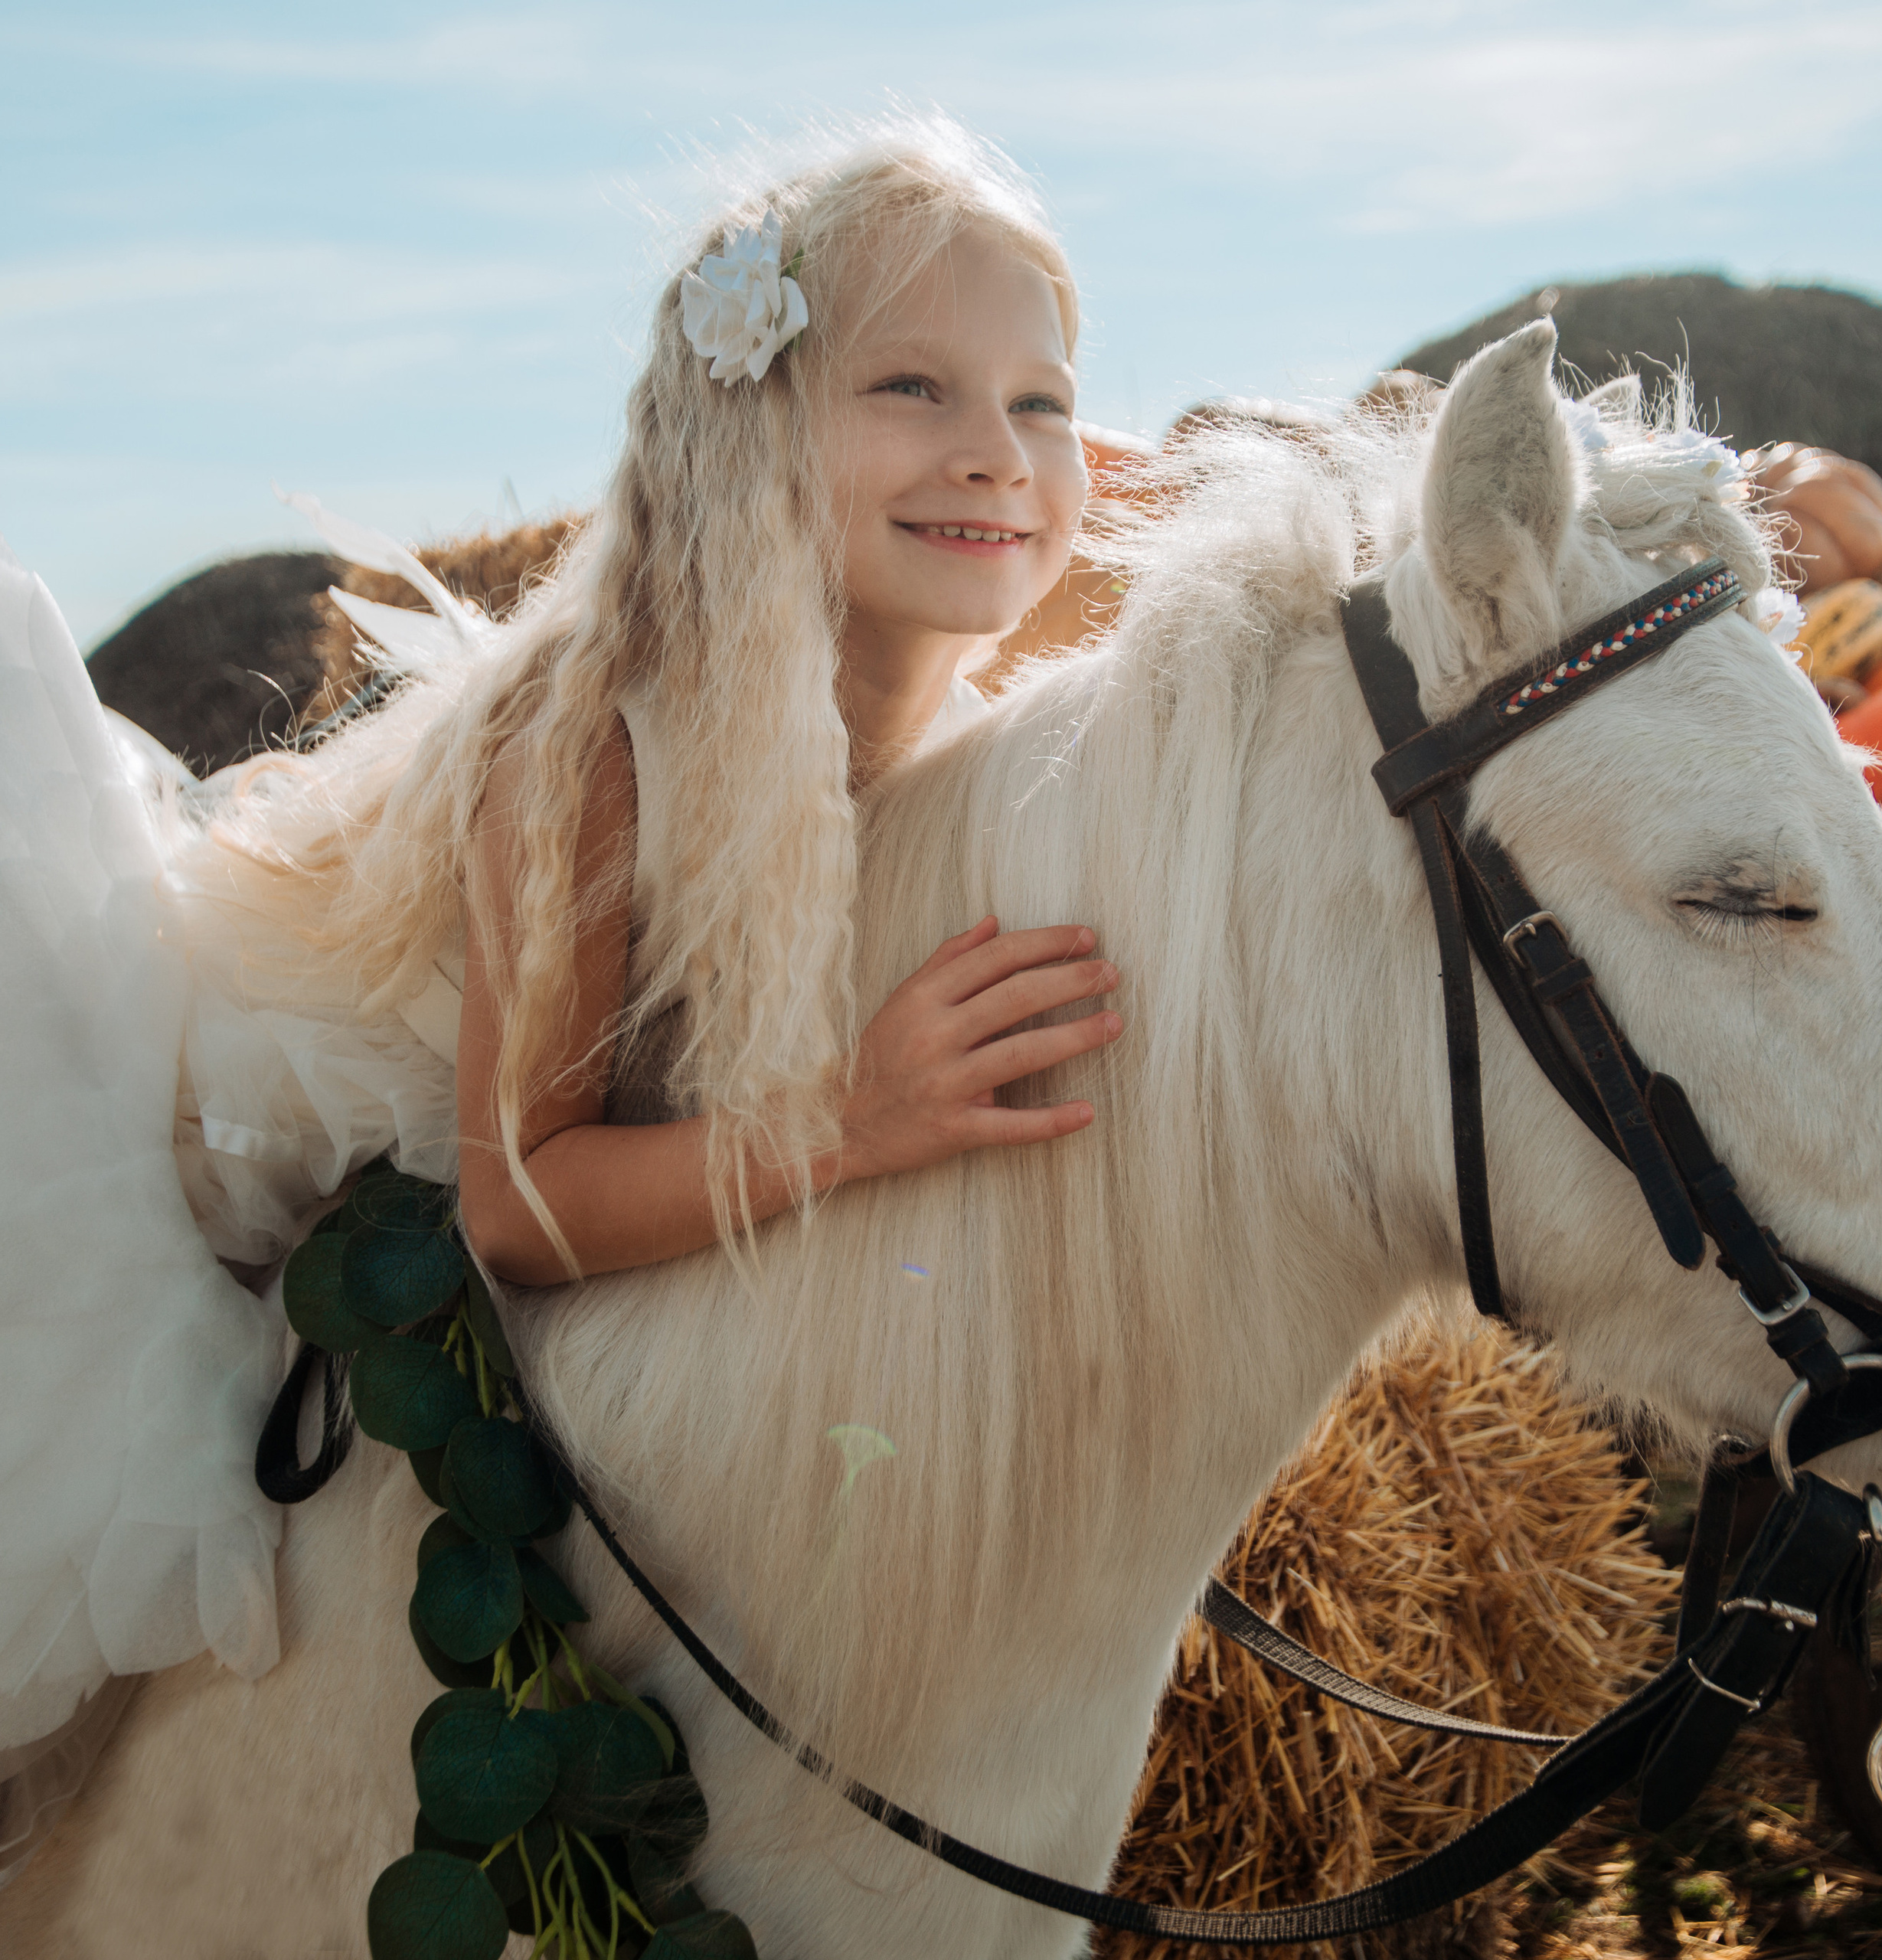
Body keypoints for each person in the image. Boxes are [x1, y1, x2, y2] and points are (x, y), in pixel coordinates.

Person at [0, 116, 1121, 1873]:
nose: (995, 450)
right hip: (267, 1139)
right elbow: (518, 1203)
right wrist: (854, 1118)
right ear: (754, 426)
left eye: (1039, 400)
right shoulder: (592, 738)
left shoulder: (993, 675)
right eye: (912, 385)